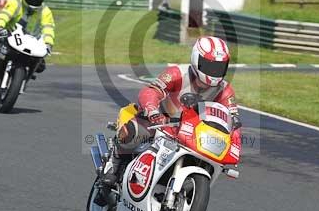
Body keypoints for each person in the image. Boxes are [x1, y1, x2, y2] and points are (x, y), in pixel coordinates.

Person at [100, 36, 242, 190]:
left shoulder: (225, 90)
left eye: (219, 67)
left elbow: (233, 119)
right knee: (134, 130)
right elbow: (152, 90)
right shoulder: (177, 73)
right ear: (196, 59)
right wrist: (152, 111)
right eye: (210, 66)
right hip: (161, 122)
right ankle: (113, 164)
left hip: (194, 133)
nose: (214, 72)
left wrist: (235, 143)